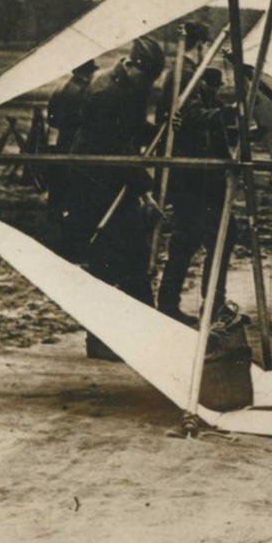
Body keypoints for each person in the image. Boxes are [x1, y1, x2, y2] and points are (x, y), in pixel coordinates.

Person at [66, 36, 166, 359]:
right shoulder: (106, 93)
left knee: (131, 256)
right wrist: (145, 188)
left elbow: (135, 132)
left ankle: (149, 332)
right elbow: (114, 150)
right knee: (105, 260)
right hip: (94, 184)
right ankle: (99, 340)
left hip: (116, 181)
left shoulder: (130, 88)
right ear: (134, 65)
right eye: (147, 77)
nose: (149, 85)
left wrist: (167, 129)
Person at [155, 29, 237, 325]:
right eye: (206, 47)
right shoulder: (186, 75)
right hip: (195, 174)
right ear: (201, 45)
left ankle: (170, 301)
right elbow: (192, 116)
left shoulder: (183, 73)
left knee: (187, 238)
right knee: (223, 233)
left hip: (190, 172)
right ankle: (212, 306)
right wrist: (229, 113)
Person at [45, 58, 98, 254]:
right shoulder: (84, 92)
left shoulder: (60, 89)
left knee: (58, 193)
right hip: (76, 143)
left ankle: (53, 233)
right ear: (87, 73)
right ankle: (70, 242)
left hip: (61, 142)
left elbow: (51, 118)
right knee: (75, 192)